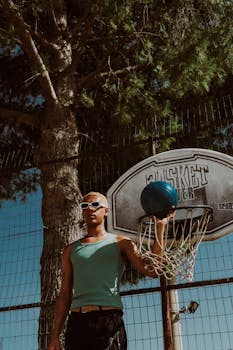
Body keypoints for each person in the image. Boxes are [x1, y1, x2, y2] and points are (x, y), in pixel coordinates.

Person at [48, 191, 172, 350]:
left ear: (106, 211)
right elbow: (64, 294)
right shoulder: (70, 250)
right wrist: (54, 336)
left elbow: (153, 270)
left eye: (95, 205)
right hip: (77, 322)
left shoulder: (122, 243)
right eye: (85, 206)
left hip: (108, 320)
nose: (90, 209)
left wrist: (160, 228)